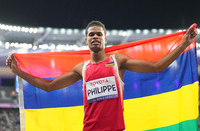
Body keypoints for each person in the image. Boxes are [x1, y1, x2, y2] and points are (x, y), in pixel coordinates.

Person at [6, 21, 197, 131]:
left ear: (105, 39)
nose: (95, 37)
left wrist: (183, 44)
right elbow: (49, 86)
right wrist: (19, 72)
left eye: (99, 34)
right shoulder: (82, 68)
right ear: (87, 40)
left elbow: (156, 67)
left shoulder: (117, 61)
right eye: (91, 35)